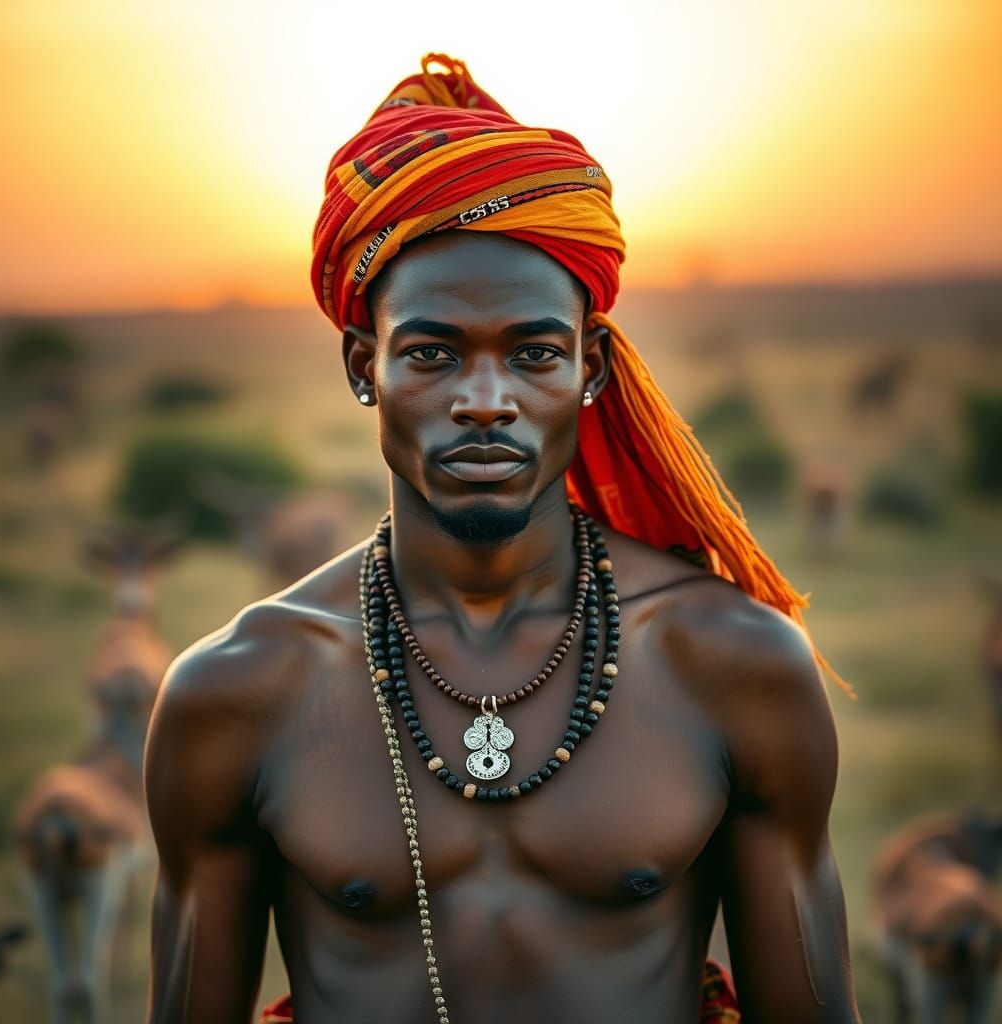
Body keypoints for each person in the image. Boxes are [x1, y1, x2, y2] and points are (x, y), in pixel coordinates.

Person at [145, 55, 860, 1024]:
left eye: (532, 354)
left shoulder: (732, 662)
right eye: (432, 353)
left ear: (591, 368)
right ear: (365, 366)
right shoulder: (237, 690)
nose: (485, 402)